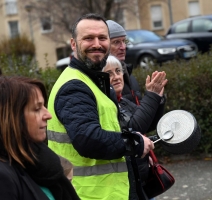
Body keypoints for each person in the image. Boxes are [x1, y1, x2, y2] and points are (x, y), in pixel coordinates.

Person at [47, 13, 154, 200]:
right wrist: (135, 143)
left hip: (108, 192)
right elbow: (88, 139)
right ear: (73, 44)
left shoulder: (93, 81)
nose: (97, 44)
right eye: (88, 38)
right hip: (89, 194)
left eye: (102, 38)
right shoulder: (74, 86)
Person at [0, 76, 79, 200]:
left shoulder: (40, 159)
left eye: (44, 106)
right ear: (12, 118)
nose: (48, 115)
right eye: (37, 109)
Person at [102, 55, 168, 199]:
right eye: (109, 74)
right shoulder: (107, 107)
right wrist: (152, 96)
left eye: (118, 71)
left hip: (140, 181)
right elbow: (133, 128)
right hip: (126, 185)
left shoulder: (123, 101)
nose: (116, 77)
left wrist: (159, 100)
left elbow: (147, 124)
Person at [106, 20, 144, 105]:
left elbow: (142, 114)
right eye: (116, 42)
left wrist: (158, 98)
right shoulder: (104, 81)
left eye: (124, 41)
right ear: (105, 46)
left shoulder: (129, 74)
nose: (123, 47)